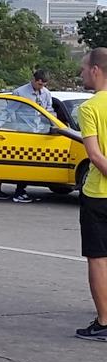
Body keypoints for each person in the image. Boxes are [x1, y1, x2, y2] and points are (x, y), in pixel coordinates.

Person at [76, 48, 107, 340]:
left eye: (84, 68)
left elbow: (95, 156)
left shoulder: (89, 108)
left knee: (98, 257)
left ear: (96, 70)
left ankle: (104, 320)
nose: (82, 73)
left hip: (99, 194)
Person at [0, 70, 53, 203]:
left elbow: (49, 111)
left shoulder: (46, 93)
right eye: (39, 84)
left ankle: (21, 190)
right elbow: (9, 110)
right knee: (24, 161)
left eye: (43, 85)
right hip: (23, 131)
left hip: (38, 131)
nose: (41, 87)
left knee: (32, 162)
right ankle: (19, 191)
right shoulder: (20, 93)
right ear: (33, 80)